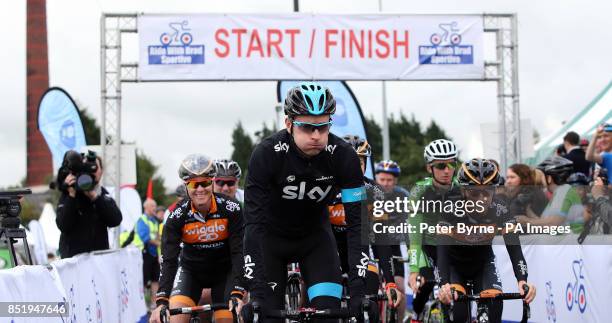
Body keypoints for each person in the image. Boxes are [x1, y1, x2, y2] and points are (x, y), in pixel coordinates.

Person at [241, 82, 374, 323]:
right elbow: (253, 224)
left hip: (315, 240)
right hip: (270, 241)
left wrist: (358, 290)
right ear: (289, 123)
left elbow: (358, 224)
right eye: (307, 127)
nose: (316, 135)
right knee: (266, 315)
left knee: (328, 315)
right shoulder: (267, 153)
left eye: (323, 127)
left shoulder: (344, 156)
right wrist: (256, 291)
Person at [436, 158, 536, 323]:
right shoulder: (450, 208)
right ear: (464, 191)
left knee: (495, 304)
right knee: (458, 314)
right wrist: (444, 283)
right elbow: (442, 250)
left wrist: (522, 280)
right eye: (475, 192)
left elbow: (515, 249)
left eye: (487, 192)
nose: (481, 198)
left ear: (494, 191)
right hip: (454, 266)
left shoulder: (501, 209)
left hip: (483, 263)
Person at [150, 154, 245, 323]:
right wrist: (161, 301)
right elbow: (169, 260)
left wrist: (238, 292)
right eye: (194, 184)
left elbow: (238, 252)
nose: (200, 189)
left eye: (205, 183)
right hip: (191, 271)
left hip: (224, 273)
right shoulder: (177, 216)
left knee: (228, 319)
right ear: (186, 186)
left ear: (211, 182)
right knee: (176, 318)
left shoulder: (232, 209)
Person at [328, 135, 402, 307]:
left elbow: (381, 239)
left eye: (359, 163)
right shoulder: (325, 188)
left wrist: (390, 281)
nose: (353, 167)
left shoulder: (374, 191)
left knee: (368, 302)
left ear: (365, 165)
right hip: (331, 254)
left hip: (361, 254)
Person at [406, 139, 458, 323]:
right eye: (441, 165)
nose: (447, 170)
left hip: (452, 246)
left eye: (452, 164)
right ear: (430, 168)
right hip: (426, 243)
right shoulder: (419, 191)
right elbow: (414, 233)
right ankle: (416, 313)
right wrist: (413, 270)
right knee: (425, 282)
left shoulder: (462, 188)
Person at [56, 150, 122, 258]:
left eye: (94, 167)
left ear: (101, 171)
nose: (91, 171)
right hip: (74, 262)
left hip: (98, 262)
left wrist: (95, 197)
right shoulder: (69, 193)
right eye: (86, 166)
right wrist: (72, 196)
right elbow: (63, 225)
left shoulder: (103, 194)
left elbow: (115, 220)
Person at [373, 159, 409, 320]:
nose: (386, 183)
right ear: (376, 179)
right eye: (382, 179)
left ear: (395, 181)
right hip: (371, 245)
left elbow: (410, 228)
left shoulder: (403, 197)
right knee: (372, 288)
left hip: (393, 246)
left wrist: (411, 252)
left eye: (390, 180)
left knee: (399, 287)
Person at [516, 156, 585, 233]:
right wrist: (528, 212)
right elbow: (544, 222)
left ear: (549, 178)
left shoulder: (563, 191)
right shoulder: (559, 192)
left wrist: (527, 221)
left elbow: (553, 223)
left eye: (542, 176)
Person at [134, 198, 162, 309]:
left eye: (155, 206)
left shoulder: (154, 220)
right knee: (144, 280)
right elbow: (145, 238)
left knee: (156, 279)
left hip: (154, 254)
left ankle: (154, 303)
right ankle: (142, 304)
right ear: (146, 207)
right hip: (144, 253)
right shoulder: (142, 219)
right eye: (153, 206)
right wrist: (159, 243)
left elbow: (156, 235)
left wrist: (160, 241)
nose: (155, 208)